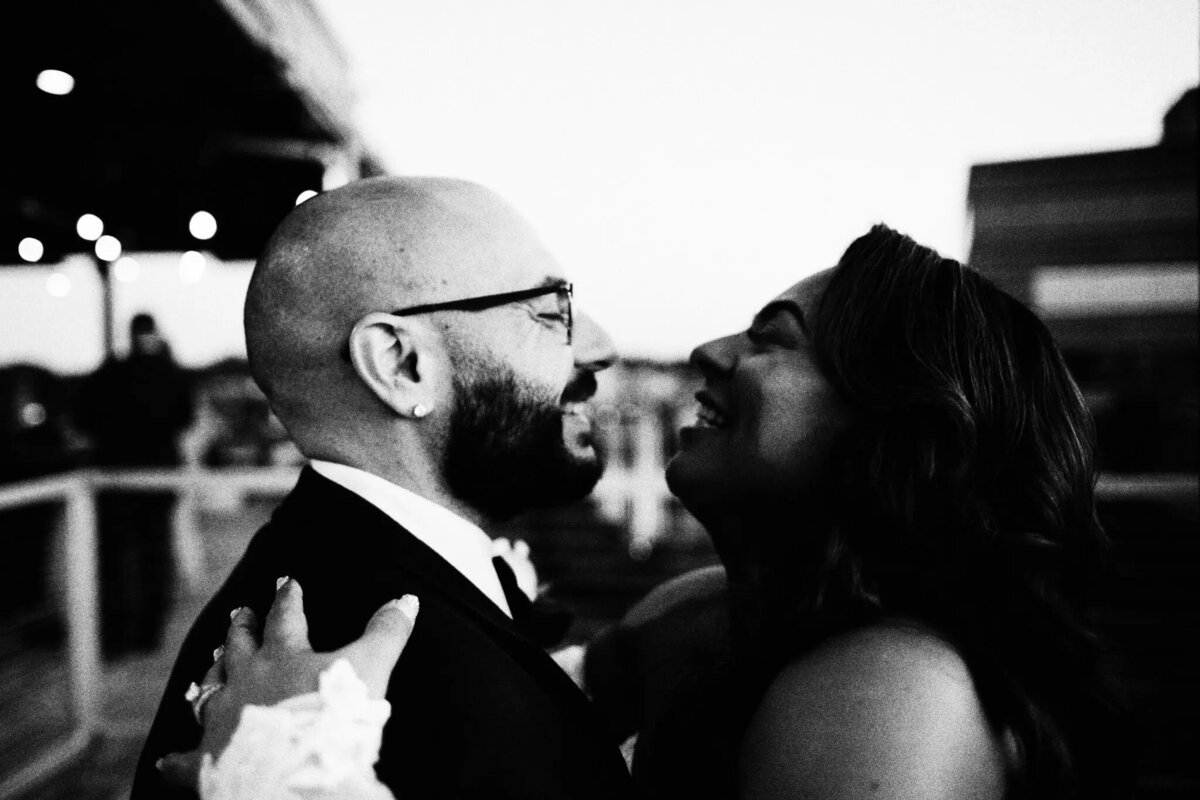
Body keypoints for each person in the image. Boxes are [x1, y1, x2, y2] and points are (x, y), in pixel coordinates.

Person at [166, 224, 1128, 800]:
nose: (708, 351)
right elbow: (530, 710)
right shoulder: (705, 614)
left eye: (772, 341)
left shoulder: (893, 694)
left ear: (896, 425)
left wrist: (290, 777)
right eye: (549, 311)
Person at [131, 176, 630, 799]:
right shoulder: (339, 694)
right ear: (400, 364)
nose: (601, 346)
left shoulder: (329, 582)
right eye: (550, 310)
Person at [78, 312, 193, 655]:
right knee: (155, 553)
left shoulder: (110, 373)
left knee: (115, 559)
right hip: (157, 476)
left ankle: (117, 633)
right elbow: (183, 418)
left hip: (115, 477)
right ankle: (149, 633)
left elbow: (84, 417)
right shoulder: (170, 374)